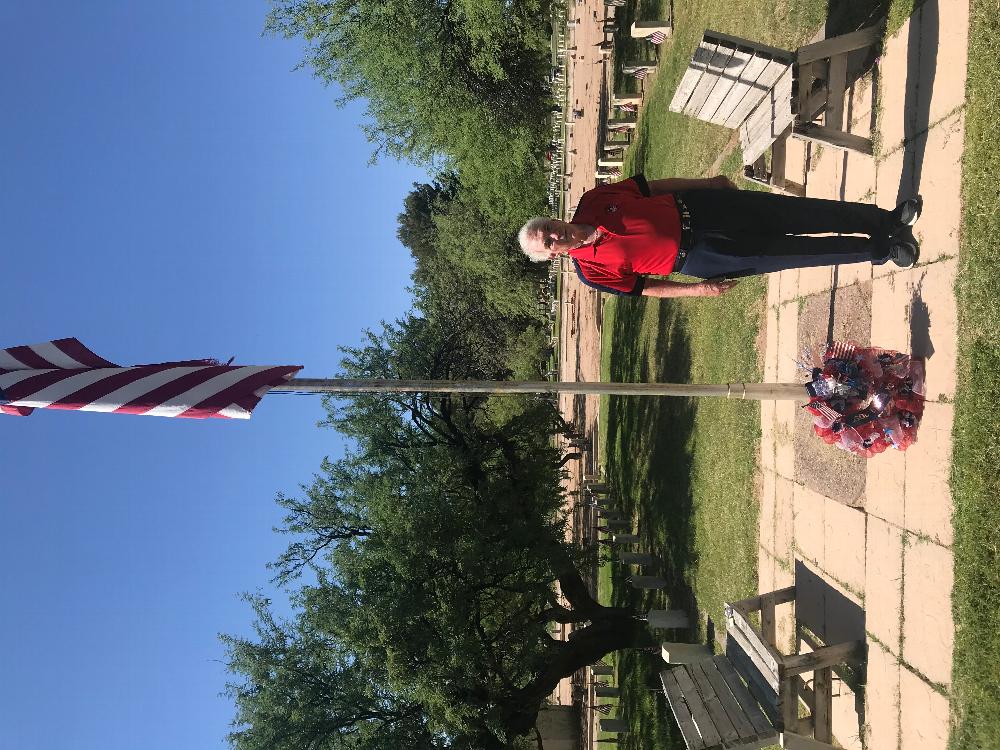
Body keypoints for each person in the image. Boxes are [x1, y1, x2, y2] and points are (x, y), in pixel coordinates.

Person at [517, 174, 922, 297]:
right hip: (702, 257)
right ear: (553, 255)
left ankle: (886, 219)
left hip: (706, 208)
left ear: (553, 220)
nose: (555, 236)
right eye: (548, 242)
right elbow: (647, 289)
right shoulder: (591, 272)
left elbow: (654, 187)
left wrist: (706, 183)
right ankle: (884, 248)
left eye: (548, 228)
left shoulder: (593, 199)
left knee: (805, 211)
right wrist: (696, 291)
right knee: (796, 252)